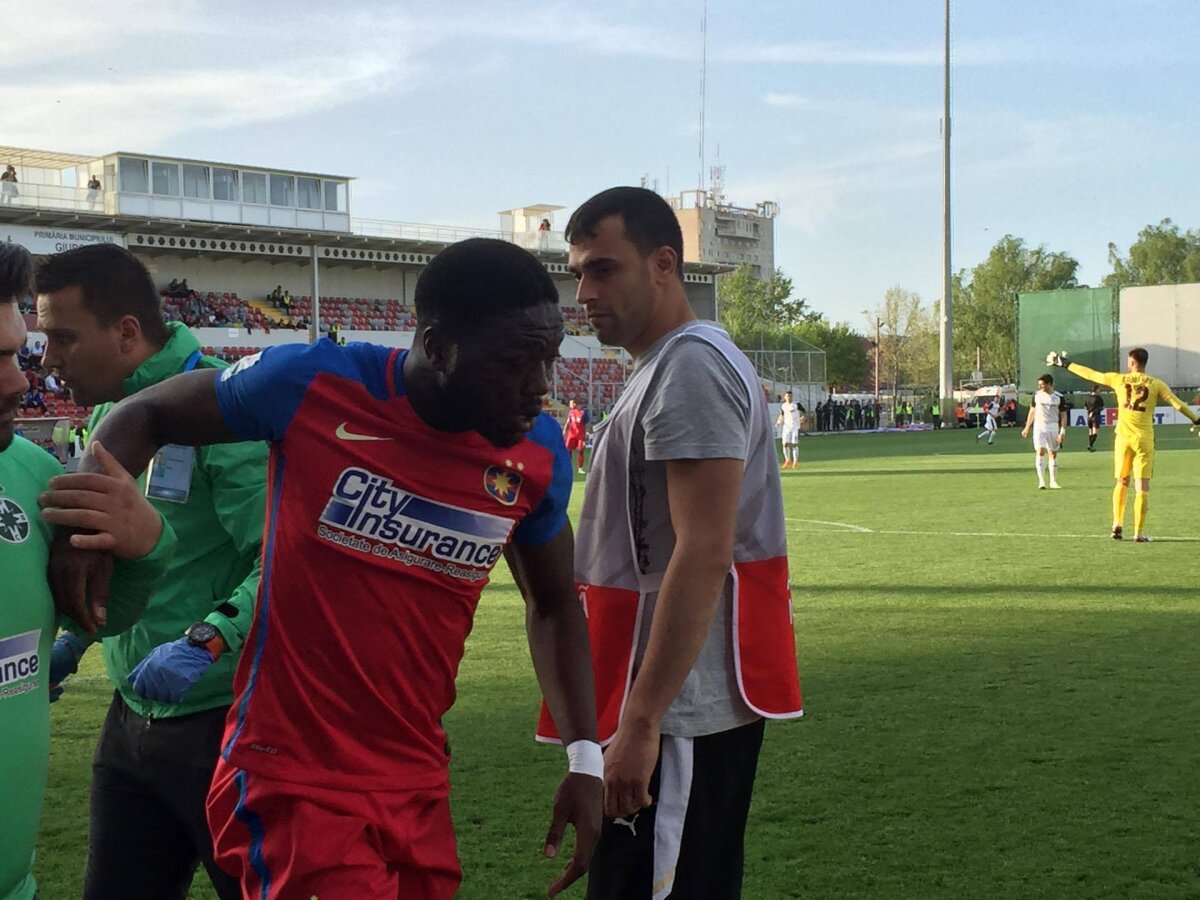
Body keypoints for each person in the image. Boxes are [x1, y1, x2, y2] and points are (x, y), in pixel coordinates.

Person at [57, 238, 603, 898]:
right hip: (291, 775)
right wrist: (84, 536)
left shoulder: (537, 456)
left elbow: (553, 603)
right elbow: (146, 410)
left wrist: (585, 757)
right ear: (435, 347)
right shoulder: (316, 382)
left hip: (415, 778)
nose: (541, 384)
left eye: (548, 358)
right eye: (516, 362)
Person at [548, 187, 802, 899]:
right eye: (577, 273)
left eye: (603, 269)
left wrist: (643, 720)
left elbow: (702, 551)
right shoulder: (660, 366)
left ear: (664, 264)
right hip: (665, 705)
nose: (584, 292)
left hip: (682, 711)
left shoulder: (688, 367)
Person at [37, 243, 267, 900]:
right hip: (130, 719)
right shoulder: (117, 414)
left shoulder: (228, 409)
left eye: (62, 337)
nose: (48, 361)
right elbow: (125, 559)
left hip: (224, 725)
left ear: (127, 333)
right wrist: (77, 640)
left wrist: (206, 641)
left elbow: (282, 557)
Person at [0, 242, 176, 900]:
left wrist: (146, 544)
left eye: (19, 352)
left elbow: (99, 609)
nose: (23, 380)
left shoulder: (35, 474)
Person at [1048, 348, 1200, 541]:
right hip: (1144, 439)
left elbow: (1091, 374)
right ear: (1145, 363)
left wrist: (1066, 363)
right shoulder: (1156, 384)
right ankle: (1139, 532)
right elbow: (1178, 404)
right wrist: (1195, 419)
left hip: (1123, 438)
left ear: (1131, 362)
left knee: (1121, 481)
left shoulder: (1119, 379)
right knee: (1142, 486)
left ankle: (1117, 524)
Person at [1020, 373, 1066, 490]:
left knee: (1052, 453)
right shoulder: (1036, 396)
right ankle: (1041, 481)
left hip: (1053, 427)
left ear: (1049, 384)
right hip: (1039, 427)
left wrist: (1062, 432)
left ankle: (1053, 481)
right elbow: (1032, 411)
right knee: (1040, 451)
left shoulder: (1059, 397)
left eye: (1042, 384)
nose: (1040, 387)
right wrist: (1027, 427)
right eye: (1039, 385)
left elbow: (1063, 415)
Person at [777, 390, 801, 468]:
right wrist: (779, 421)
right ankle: (787, 460)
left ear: (792, 397)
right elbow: (782, 414)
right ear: (785, 397)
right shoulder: (783, 406)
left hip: (795, 427)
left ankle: (795, 461)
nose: (789, 397)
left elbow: (803, 411)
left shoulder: (796, 404)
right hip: (786, 427)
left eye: (790, 396)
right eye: (787, 396)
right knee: (785, 444)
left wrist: (803, 417)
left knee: (794, 444)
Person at [564, 398, 588, 473]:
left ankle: (580, 468)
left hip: (580, 435)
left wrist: (586, 433)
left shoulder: (583, 412)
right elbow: (568, 421)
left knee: (580, 451)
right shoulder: (571, 412)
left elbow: (586, 423)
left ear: (575, 404)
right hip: (571, 434)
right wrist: (565, 430)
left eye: (570, 403)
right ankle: (568, 467)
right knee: (568, 451)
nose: (569, 405)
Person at [1084, 384, 1105, 452]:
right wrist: (1095, 410)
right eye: (1099, 389)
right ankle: (1090, 445)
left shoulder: (1087, 398)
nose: (1099, 390)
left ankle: (1091, 446)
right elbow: (1102, 407)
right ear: (1096, 389)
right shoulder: (1098, 398)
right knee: (1095, 432)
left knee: (1090, 431)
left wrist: (1090, 412)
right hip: (1096, 416)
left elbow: (1085, 407)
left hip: (1089, 417)